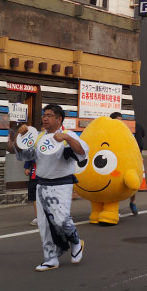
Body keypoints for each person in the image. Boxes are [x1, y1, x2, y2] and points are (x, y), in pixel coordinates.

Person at [15, 104, 89, 271]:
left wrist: (67, 138)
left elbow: (82, 153)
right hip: (41, 184)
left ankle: (76, 243)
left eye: (49, 115)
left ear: (59, 119)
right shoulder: (39, 137)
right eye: (44, 115)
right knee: (44, 224)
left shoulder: (68, 135)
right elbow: (23, 155)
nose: (45, 118)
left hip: (62, 184)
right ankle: (51, 258)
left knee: (62, 219)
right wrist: (20, 138)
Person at [110, 112, 139, 215]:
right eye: (118, 119)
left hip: (126, 161)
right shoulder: (109, 132)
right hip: (114, 162)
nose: (120, 121)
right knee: (115, 184)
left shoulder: (125, 131)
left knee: (133, 181)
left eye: (121, 119)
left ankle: (133, 202)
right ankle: (113, 208)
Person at [24, 160, 38, 225]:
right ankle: (37, 217)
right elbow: (29, 155)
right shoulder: (32, 149)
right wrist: (27, 167)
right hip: (34, 174)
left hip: (46, 175)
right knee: (35, 197)